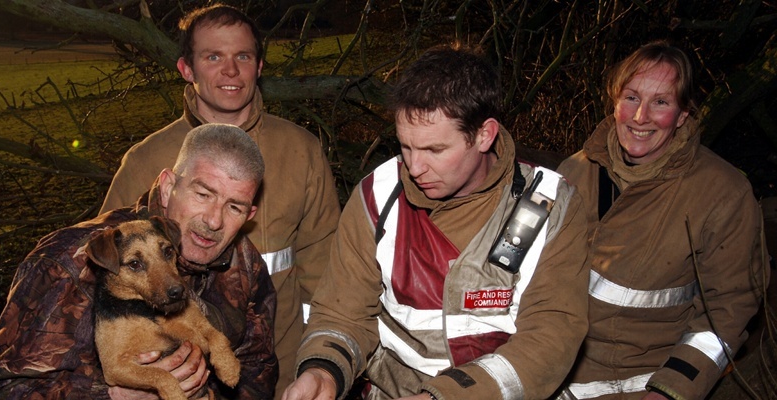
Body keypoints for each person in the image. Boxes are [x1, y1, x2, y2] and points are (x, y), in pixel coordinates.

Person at [282, 46, 591, 400]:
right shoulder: (378, 196)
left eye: (434, 150)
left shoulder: (548, 203)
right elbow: (342, 312)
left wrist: (445, 396)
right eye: (406, 147)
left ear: (484, 135)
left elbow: (551, 335)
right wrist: (322, 370)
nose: (414, 167)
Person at [99, 5, 341, 398]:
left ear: (259, 65)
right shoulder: (145, 161)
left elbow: (327, 272)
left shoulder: (301, 152)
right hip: (169, 378)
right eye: (213, 57)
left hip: (278, 376)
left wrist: (317, 363)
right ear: (186, 69)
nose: (231, 71)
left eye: (242, 56)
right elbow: (101, 287)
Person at [0, 123, 277, 399]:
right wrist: (115, 395)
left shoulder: (243, 262)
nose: (214, 220)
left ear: (249, 214)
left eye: (234, 207)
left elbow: (256, 372)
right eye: (202, 194)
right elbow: (1, 391)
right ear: (168, 186)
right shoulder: (65, 264)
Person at [557, 41, 768, 400]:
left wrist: (672, 389)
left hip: (638, 383)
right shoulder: (575, 171)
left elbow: (729, 311)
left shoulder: (723, 193)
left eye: (661, 102)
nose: (641, 118)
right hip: (551, 372)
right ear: (614, 101)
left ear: (683, 114)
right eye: (632, 98)